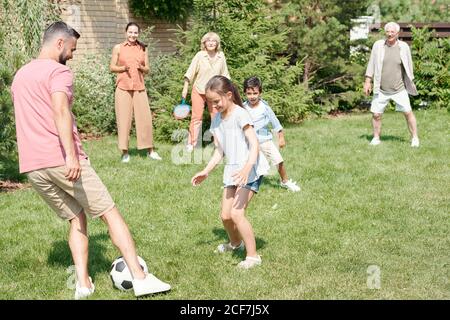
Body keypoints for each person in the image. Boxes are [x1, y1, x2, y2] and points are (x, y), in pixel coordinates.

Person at [11, 21, 170, 299]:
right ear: (59, 43)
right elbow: (60, 111)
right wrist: (71, 157)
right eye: (72, 49)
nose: (72, 55)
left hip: (33, 166)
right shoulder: (59, 72)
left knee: (76, 217)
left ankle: (83, 285)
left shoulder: (21, 75)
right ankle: (140, 278)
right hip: (62, 159)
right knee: (109, 212)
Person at [191, 75, 269, 269]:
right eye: (210, 102)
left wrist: (247, 168)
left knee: (236, 213)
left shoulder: (241, 114)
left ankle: (253, 256)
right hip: (232, 170)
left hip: (249, 170)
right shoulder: (216, 119)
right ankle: (236, 244)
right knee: (225, 216)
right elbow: (220, 151)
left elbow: (254, 144)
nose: (214, 106)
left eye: (216, 101)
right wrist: (206, 171)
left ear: (228, 95)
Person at [110, 22, 162, 163]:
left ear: (138, 34)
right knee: (124, 120)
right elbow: (112, 67)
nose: (133, 35)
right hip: (123, 87)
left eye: (135, 33)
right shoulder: (118, 48)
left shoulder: (143, 48)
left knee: (145, 119)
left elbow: (148, 69)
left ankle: (150, 150)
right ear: (125, 32)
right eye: (130, 32)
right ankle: (125, 153)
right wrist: (123, 68)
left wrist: (141, 67)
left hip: (139, 87)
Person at [364, 21, 420, 147]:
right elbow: (371, 64)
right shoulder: (378, 45)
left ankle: (415, 138)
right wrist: (368, 81)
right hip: (381, 89)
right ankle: (376, 138)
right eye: (387, 32)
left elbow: (408, 66)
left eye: (392, 32)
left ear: (397, 33)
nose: (389, 34)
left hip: (399, 89)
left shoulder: (404, 47)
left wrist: (410, 81)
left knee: (407, 112)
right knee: (376, 114)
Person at [243, 76, 301, 192]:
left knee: (278, 160)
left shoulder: (265, 107)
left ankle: (285, 182)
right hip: (249, 142)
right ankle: (239, 183)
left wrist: (281, 137)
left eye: (255, 93)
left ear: (260, 92)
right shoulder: (243, 107)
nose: (252, 96)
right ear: (245, 93)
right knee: (247, 163)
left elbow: (276, 123)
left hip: (264, 140)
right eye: (249, 93)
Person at [182, 32, 230, 152]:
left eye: (213, 40)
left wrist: (228, 90)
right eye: (208, 40)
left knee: (216, 117)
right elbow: (190, 71)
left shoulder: (221, 56)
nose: (211, 43)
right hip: (199, 90)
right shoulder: (200, 55)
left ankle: (218, 143)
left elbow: (225, 74)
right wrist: (185, 87)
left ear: (217, 43)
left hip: (215, 93)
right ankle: (192, 143)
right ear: (204, 43)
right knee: (196, 117)